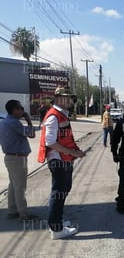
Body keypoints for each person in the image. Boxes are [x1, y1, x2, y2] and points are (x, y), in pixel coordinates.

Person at [37, 86, 86, 240]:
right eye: (67, 97)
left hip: (64, 159)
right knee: (58, 193)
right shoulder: (53, 116)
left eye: (71, 98)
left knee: (64, 190)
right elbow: (50, 142)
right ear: (58, 98)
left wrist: (74, 152)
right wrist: (73, 153)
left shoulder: (61, 114)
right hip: (58, 160)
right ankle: (56, 229)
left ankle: (57, 222)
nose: (71, 100)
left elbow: (65, 138)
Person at [0, 100, 40, 221]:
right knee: (20, 187)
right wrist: (28, 120)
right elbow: (32, 134)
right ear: (14, 110)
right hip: (18, 158)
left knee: (13, 185)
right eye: (20, 108)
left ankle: (12, 210)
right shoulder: (14, 123)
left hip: (10, 157)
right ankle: (24, 214)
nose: (22, 110)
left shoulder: (4, 122)